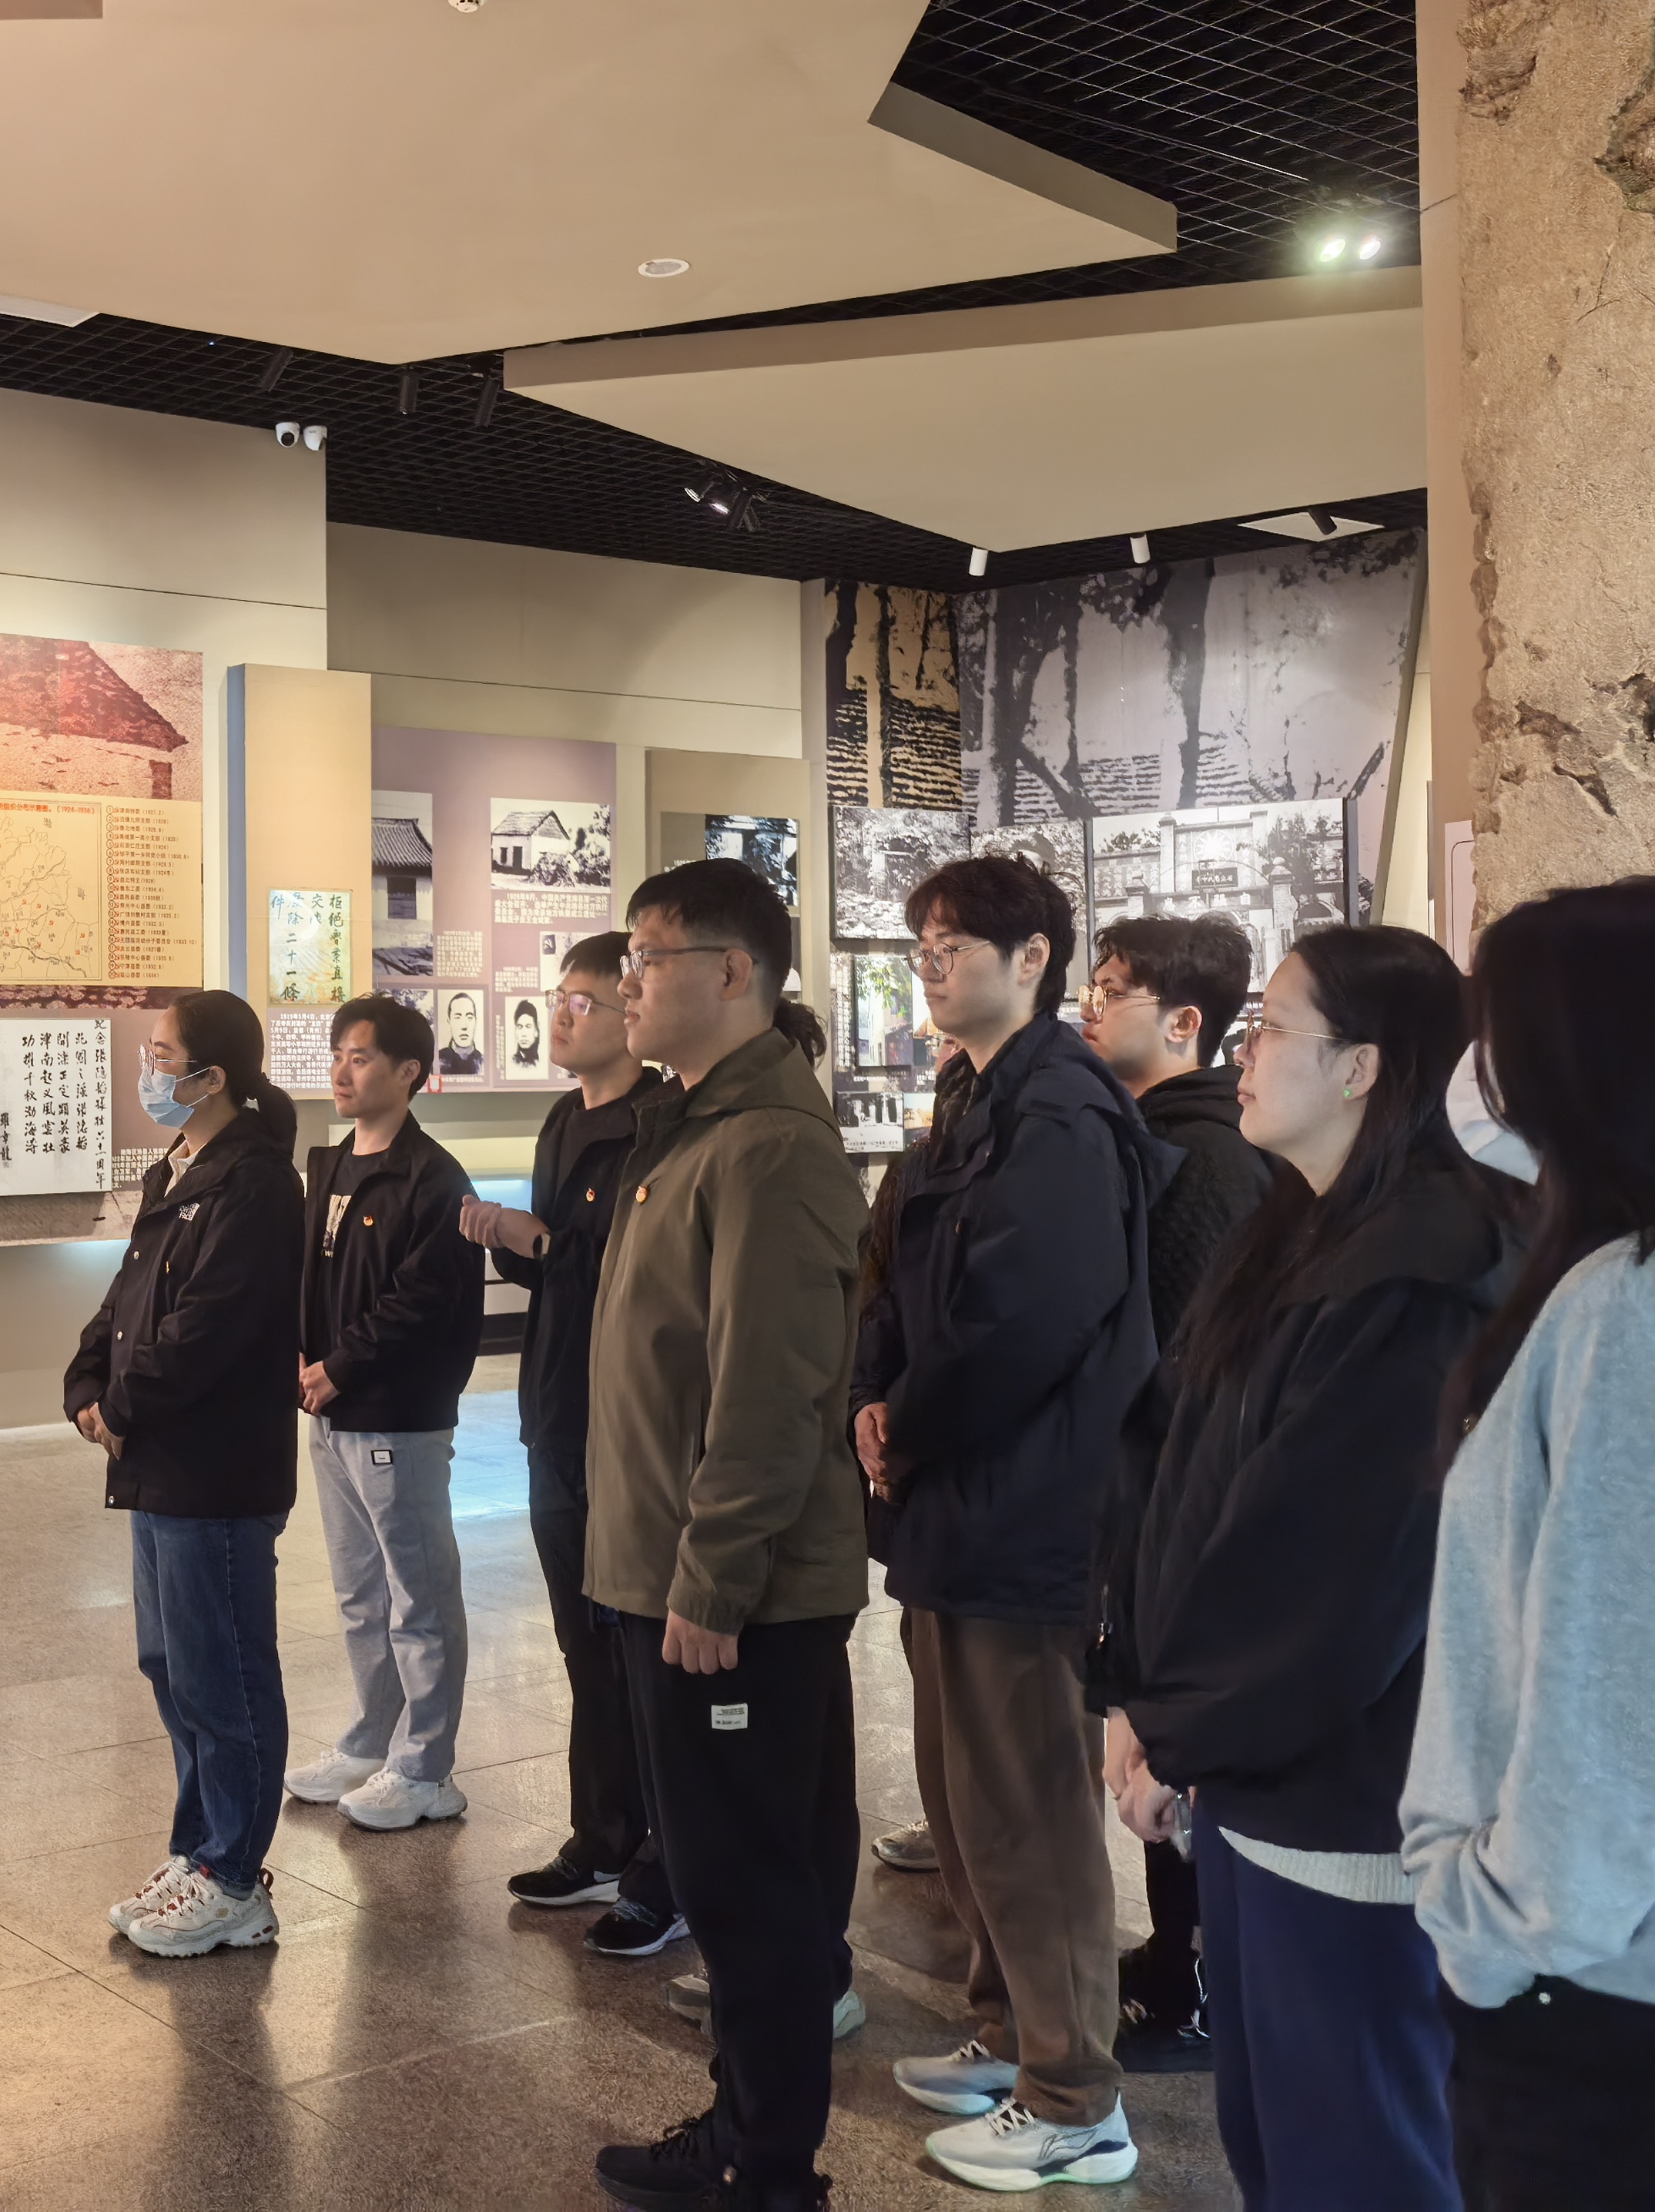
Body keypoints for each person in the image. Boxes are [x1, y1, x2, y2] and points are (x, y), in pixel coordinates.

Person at [1097, 927, 1509, 2210]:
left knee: (1354, 2154)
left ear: (1362, 1067)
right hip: (1255, 1780)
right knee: (1275, 2141)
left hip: (1344, 1807)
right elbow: (1192, 1477)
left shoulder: (1421, 1267)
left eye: (1273, 1028)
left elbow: (1327, 1574)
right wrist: (1146, 1700)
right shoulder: (1300, 1226)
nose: (1246, 1052)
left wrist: (1176, 1729)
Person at [1404, 877, 1655, 2211]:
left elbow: (1635, 1697)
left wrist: (1498, 1928)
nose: (1479, 1075)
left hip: (1631, 2001)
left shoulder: (1649, 1308)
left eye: (1496, 1031)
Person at [854, 854, 1174, 2193]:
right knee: (964, 1796)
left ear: (1033, 957)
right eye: (922, 943)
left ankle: (1073, 2093)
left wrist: (912, 1418)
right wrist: (877, 1396)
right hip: (954, 1500)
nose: (931, 964)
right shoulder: (974, 1091)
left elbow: (1024, 1320)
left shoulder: (1061, 1110)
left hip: (1022, 1502)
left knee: (1029, 1807)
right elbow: (906, 1277)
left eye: (956, 943)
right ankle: (1008, 2031)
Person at [580, 860, 869, 2212]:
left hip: (735, 1595)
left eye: (649, 956)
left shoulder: (772, 1146)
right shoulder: (692, 1128)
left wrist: (713, 1575)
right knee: (730, 1875)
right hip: (670, 1572)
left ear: (733, 972)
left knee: (751, 1888)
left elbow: (770, 1387)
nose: (626, 982)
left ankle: (770, 2166)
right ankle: (747, 2129)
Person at [64, 990, 306, 1959]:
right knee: (171, 1666)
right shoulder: (178, 1169)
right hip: (158, 1465)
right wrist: (86, 1381)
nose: (149, 1069)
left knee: (225, 1676)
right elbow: (127, 1298)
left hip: (215, 1469)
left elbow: (207, 1326)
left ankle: (236, 1878)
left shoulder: (254, 1183)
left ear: (213, 1077)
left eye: (163, 1055)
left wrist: (125, 1407)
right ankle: (199, 1850)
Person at [458, 932, 685, 1952]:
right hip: (554, 1410)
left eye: (582, 1001)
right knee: (581, 1644)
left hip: (625, 1420)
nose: (561, 1014)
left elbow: (632, 1275)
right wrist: (518, 1245)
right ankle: (602, 1835)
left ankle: (665, 1866)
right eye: (557, 996)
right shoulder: (563, 1118)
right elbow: (562, 1270)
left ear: (631, 1010)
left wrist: (534, 1239)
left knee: (640, 1650)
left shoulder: (657, 1126)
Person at [1080, 910, 1270, 2073]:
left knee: (1170, 1743)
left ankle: (1194, 1980)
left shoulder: (1201, 1159)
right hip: (1148, 1494)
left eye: (1112, 989)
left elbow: (1184, 1365)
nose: (1090, 1007)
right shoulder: (1157, 1138)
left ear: (1185, 1019)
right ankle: (1173, 1956)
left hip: (1173, 1500)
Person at [284, 991, 485, 1829]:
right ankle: (372, 1737)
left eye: (359, 1057)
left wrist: (341, 1365)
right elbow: (310, 1280)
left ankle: (426, 1765)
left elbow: (422, 1301)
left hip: (396, 1414)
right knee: (360, 1592)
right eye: (337, 1054)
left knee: (419, 1592)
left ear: (408, 1073)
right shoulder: (330, 1166)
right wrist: (305, 1362)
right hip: (330, 1410)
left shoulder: (434, 1179)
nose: (341, 1070)